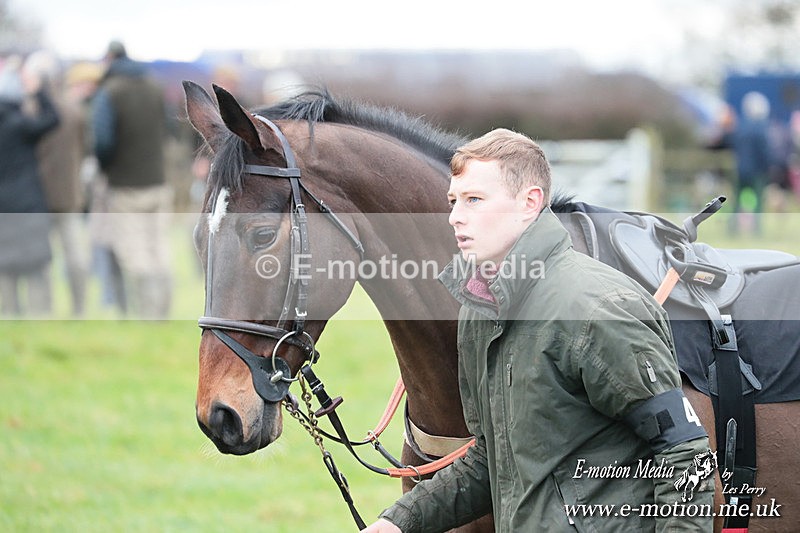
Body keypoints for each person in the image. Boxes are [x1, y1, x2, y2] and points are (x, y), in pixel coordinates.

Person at [363, 129, 714, 532]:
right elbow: (490, 463)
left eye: (474, 200)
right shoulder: (479, 313)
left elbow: (685, 454)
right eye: (453, 201)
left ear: (529, 203)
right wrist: (397, 522)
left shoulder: (597, 310)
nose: (455, 216)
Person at [91, 40, 172, 319]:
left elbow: (102, 141)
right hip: (158, 181)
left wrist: (105, 167)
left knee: (135, 251)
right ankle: (163, 309)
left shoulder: (110, 92)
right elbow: (169, 128)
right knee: (159, 247)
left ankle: (149, 315)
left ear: (110, 58)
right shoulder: (155, 87)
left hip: (125, 185)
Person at [23, 51, 91, 317]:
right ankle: (79, 309)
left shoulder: (29, 111)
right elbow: (84, 149)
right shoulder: (74, 110)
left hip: (37, 197)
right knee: (75, 256)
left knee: (39, 259)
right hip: (69, 195)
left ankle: (42, 311)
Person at [0, 56, 60, 316]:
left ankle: (9, 314)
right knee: (35, 264)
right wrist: (38, 91)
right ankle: (40, 315)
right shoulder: (20, 124)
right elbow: (53, 119)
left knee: (5, 267)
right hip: (28, 203)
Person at [729, 91, 771, 235]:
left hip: (740, 169)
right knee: (758, 200)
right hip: (756, 171)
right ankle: (757, 229)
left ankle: (732, 228)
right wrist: (768, 167)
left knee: (736, 201)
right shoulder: (761, 129)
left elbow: (733, 145)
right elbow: (764, 152)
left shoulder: (740, 127)